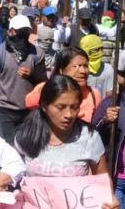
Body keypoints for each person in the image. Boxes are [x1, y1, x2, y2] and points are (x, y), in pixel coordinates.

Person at [15, 75, 118, 208]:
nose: (69, 114)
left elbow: (102, 176)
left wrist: (110, 200)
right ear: (44, 106)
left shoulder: (89, 137)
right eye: (61, 107)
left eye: (74, 107)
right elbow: (13, 172)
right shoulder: (25, 136)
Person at [0, 15, 47, 144]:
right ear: (10, 32)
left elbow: (43, 83)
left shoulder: (37, 53)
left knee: (26, 146)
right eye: (20, 32)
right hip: (5, 111)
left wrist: (32, 74)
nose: (23, 36)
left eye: (26, 32)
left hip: (29, 112)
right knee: (9, 148)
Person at [25, 47, 102, 124]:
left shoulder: (94, 95)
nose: (83, 71)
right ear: (61, 70)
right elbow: (29, 106)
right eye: (76, 66)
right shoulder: (44, 89)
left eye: (85, 66)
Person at [80, 34, 114, 99]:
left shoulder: (79, 69)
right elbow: (110, 94)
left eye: (100, 49)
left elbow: (110, 94)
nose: (99, 52)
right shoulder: (108, 68)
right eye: (95, 50)